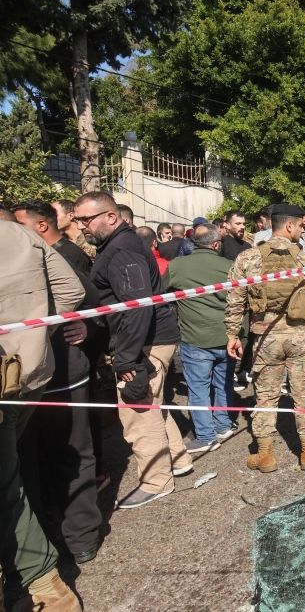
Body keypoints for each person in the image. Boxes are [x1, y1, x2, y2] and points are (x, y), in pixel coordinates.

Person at [74, 191, 193, 509]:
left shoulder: (121, 249)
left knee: (136, 410)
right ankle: (179, 461)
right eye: (77, 219)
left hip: (144, 343)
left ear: (110, 217)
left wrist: (126, 356)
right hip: (145, 340)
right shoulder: (117, 245)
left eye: (86, 219)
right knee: (152, 403)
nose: (81, 225)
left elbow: (137, 308)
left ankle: (157, 481)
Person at [11, 202, 105, 566]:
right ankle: (39, 543)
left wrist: (86, 324)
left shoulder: (49, 258)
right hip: (18, 386)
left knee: (72, 454)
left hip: (61, 376)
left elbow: (90, 299)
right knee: (23, 464)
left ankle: (79, 537)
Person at [0, 214, 86, 611]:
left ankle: (38, 580)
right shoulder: (20, 234)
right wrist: (35, 334)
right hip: (28, 374)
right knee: (9, 477)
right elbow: (70, 290)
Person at [225, 204, 305, 473]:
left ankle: (265, 455)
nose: (302, 230)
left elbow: (235, 301)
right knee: (304, 396)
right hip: (300, 337)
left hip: (265, 339)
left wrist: (232, 335)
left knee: (265, 397)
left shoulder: (247, 258)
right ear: (288, 226)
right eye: (300, 226)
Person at [163, 223, 238, 453]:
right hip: (227, 336)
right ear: (216, 244)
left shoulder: (177, 266)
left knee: (198, 389)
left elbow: (162, 294)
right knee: (224, 383)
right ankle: (223, 425)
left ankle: (206, 436)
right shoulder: (231, 266)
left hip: (194, 337)